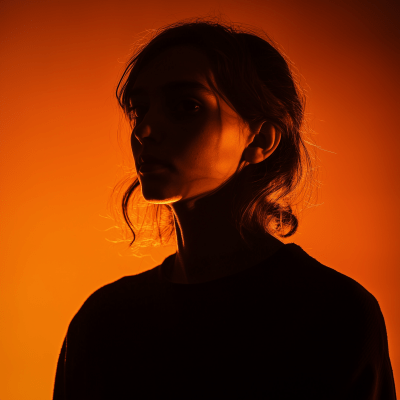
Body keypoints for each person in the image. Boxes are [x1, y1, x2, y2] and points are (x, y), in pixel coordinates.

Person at [53, 18, 397, 399]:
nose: (144, 130)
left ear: (261, 139)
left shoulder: (334, 315)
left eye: (186, 105)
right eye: (140, 109)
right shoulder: (104, 321)